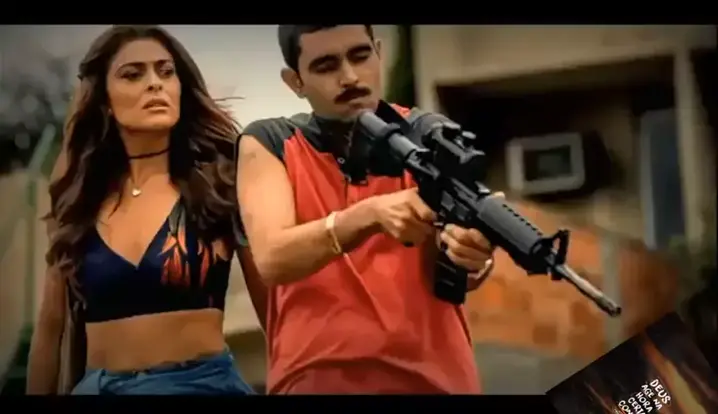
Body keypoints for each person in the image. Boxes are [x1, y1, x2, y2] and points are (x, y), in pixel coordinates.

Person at [235, 24, 498, 394]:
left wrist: (474, 255)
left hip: (437, 382)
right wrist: (369, 214)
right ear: (295, 81)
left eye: (360, 56)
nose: (350, 77)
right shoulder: (270, 142)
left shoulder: (430, 135)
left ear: (379, 52)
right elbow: (273, 258)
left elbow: (458, 271)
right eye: (326, 65)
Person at [26, 25, 265, 395]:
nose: (154, 83)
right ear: (104, 100)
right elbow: (49, 328)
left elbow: (274, 310)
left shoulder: (221, 186)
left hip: (201, 386)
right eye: (132, 74)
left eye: (165, 72)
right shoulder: (79, 203)